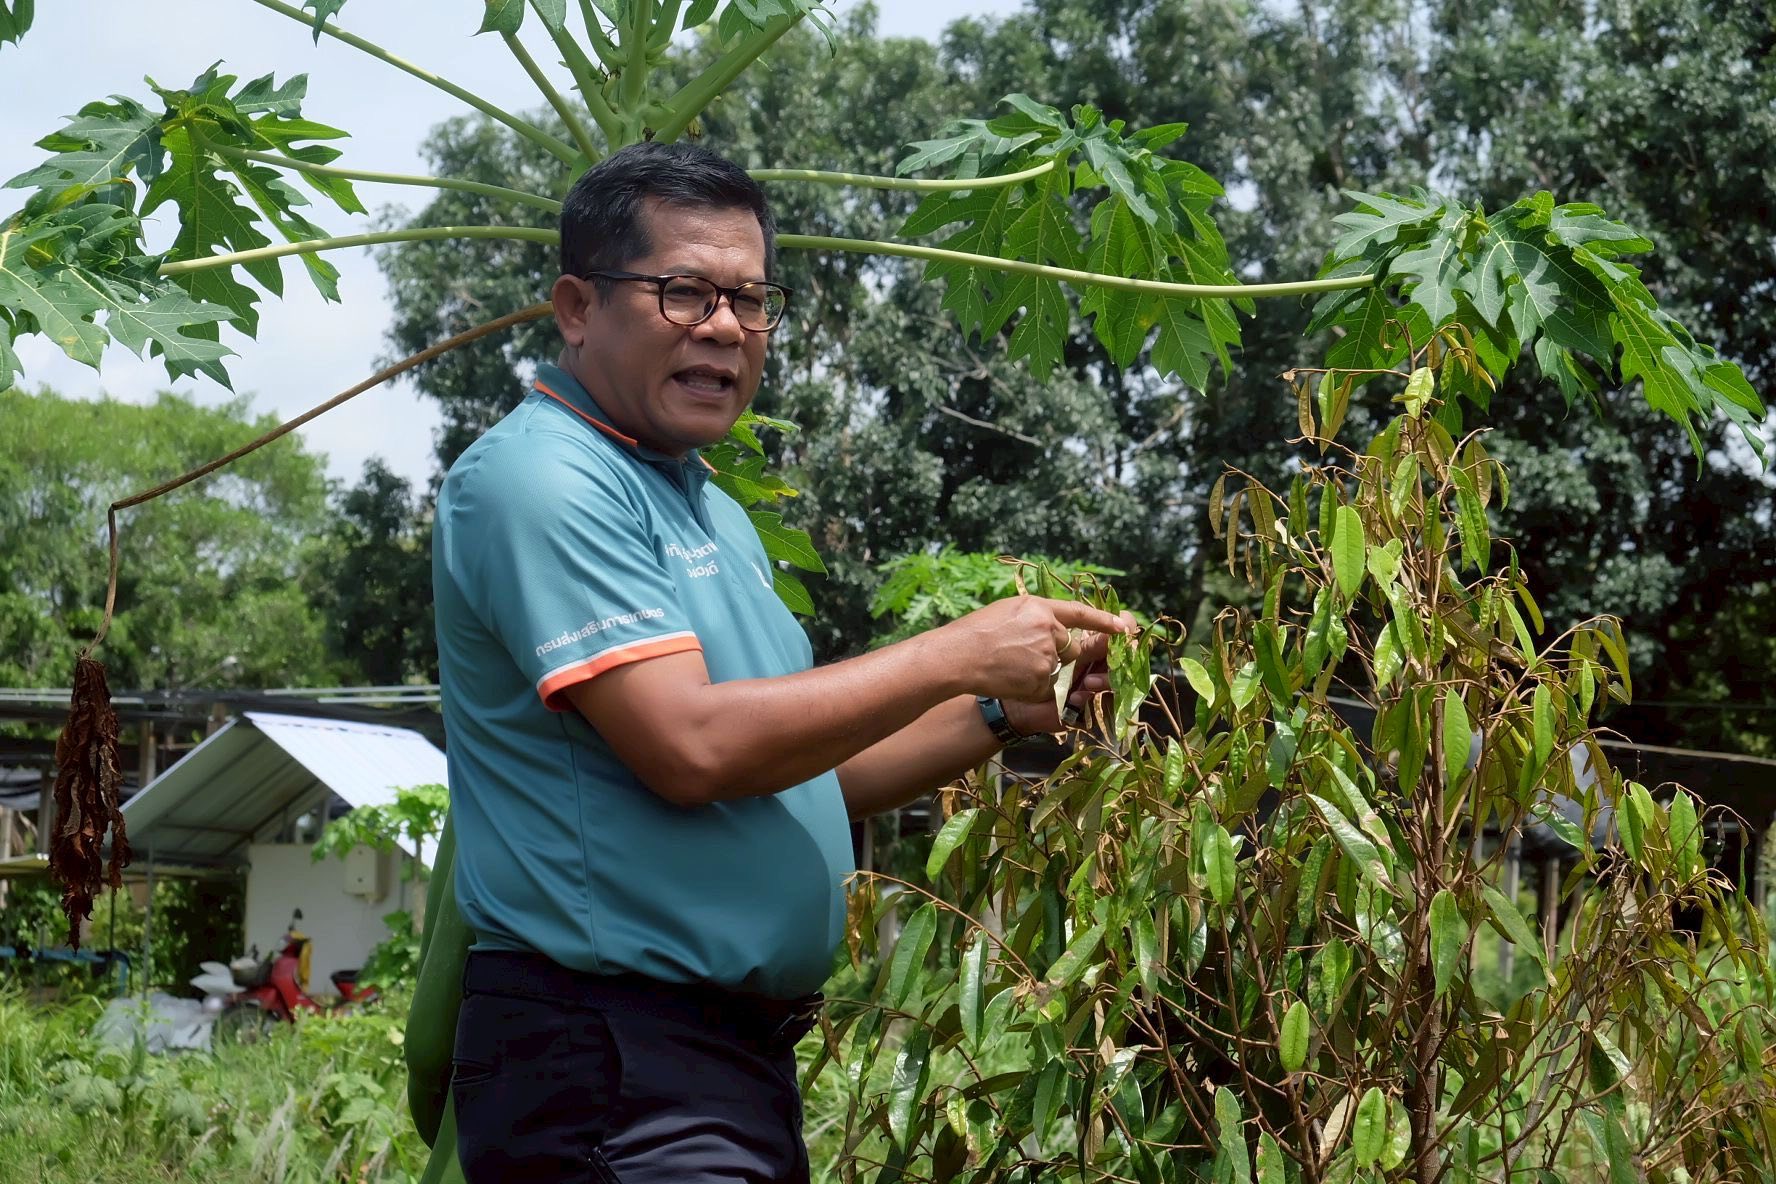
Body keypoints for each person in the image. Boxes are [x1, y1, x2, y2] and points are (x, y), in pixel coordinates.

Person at [432, 140, 1129, 1184]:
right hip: (611, 1059)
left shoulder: (702, 502)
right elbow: (693, 747)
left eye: (751, 301)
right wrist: (952, 648)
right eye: (683, 291)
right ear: (577, 307)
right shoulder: (543, 480)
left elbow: (800, 774)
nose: (724, 326)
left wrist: (996, 708)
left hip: (713, 1060)